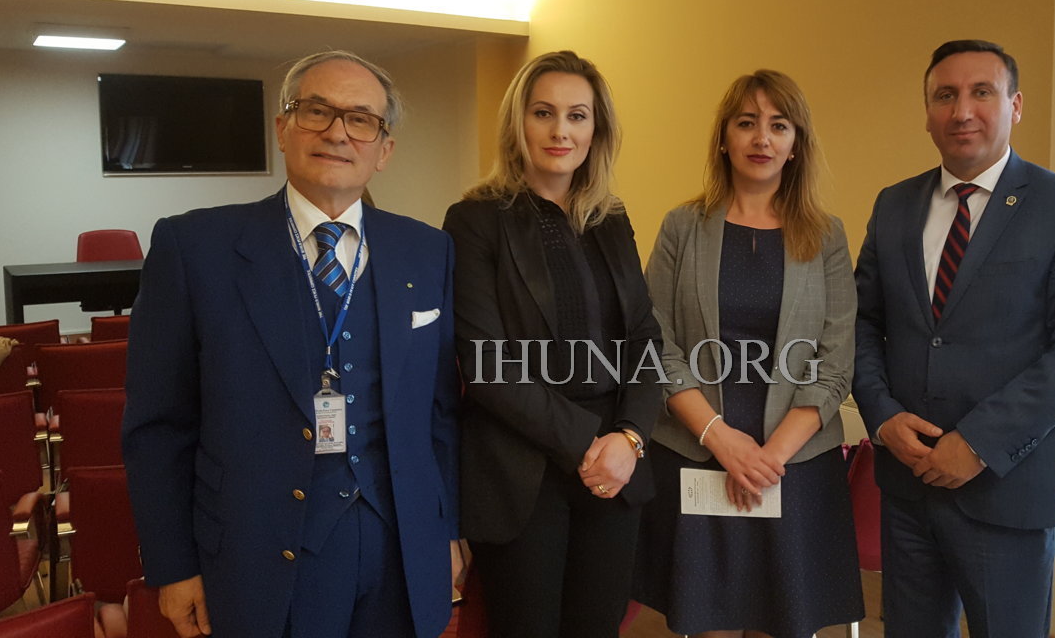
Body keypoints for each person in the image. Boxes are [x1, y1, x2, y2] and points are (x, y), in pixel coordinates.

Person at [122, 50, 462, 638]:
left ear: (384, 150)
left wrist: (447, 529)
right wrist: (173, 565)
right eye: (316, 111)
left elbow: (440, 414)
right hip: (259, 553)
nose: (337, 132)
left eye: (361, 119)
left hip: (403, 551)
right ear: (283, 128)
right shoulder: (194, 248)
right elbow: (158, 427)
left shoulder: (428, 251)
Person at [851, 39, 1055, 637]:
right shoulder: (894, 206)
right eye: (945, 96)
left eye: (982, 93)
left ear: (1015, 106)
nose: (962, 111)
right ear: (927, 112)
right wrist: (883, 417)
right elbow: (862, 323)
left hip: (1007, 493)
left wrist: (977, 443)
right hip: (907, 488)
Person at [634, 70, 864, 638]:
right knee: (709, 622)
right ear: (724, 138)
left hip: (796, 464)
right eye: (746, 123)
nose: (762, 138)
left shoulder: (827, 236)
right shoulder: (682, 228)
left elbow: (834, 361)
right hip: (698, 454)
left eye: (779, 126)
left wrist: (767, 459)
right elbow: (655, 343)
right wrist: (722, 439)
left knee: (786, 621)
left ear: (796, 144)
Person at [442, 50, 662, 637]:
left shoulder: (610, 218)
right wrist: (591, 443)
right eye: (543, 113)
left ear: (596, 129)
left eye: (577, 115)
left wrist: (629, 438)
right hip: (521, 473)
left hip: (615, 467)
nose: (560, 130)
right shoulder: (474, 220)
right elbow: (486, 364)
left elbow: (644, 337)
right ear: (518, 122)